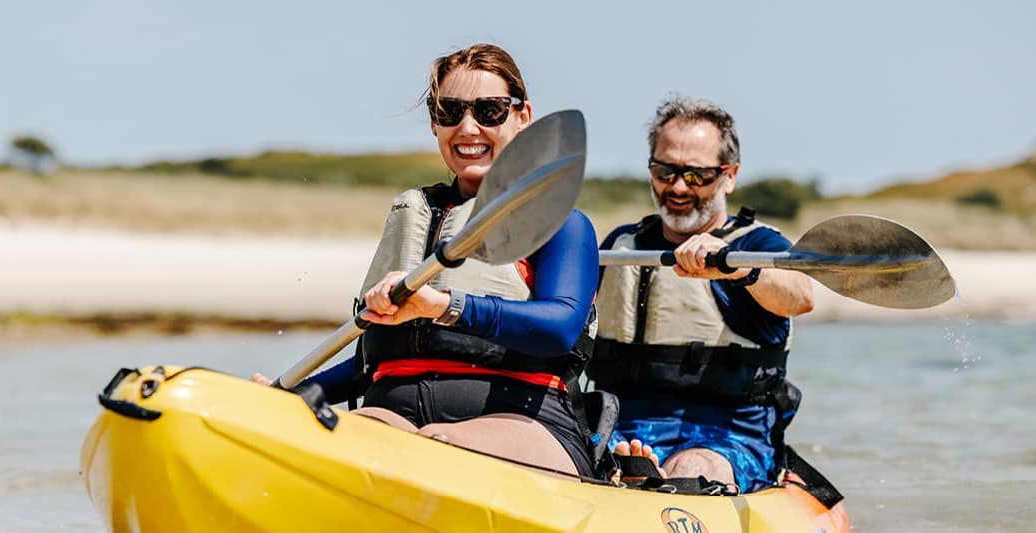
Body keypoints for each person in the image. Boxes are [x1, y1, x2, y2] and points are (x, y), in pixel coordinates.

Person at [253, 43, 600, 477]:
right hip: (393, 415)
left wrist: (448, 307)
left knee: (436, 445)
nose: (468, 127)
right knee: (313, 443)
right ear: (435, 123)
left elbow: (560, 328)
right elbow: (371, 359)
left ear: (522, 117)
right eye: (450, 111)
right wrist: (290, 398)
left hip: (521, 419)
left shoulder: (562, 224)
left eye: (489, 111)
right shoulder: (416, 216)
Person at [589, 95, 814, 493]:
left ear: (729, 175)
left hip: (727, 437)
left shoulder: (759, 244)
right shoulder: (620, 245)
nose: (677, 186)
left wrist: (735, 266)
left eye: (697, 175)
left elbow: (800, 295)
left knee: (690, 466)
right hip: (618, 428)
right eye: (664, 171)